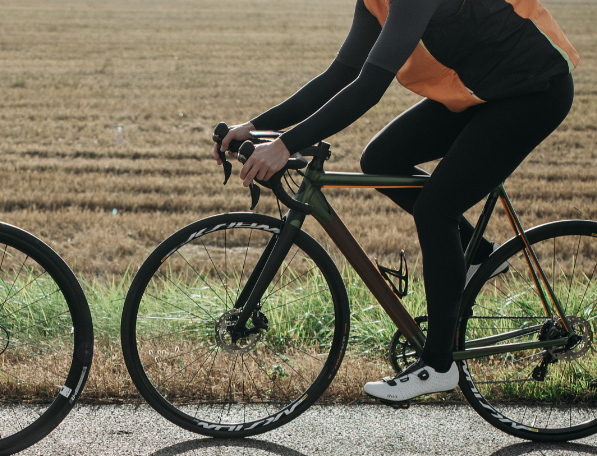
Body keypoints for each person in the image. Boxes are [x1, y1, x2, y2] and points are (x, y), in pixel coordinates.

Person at [219, 0, 578, 403]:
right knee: (380, 159)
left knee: (436, 209)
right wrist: (258, 126)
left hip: (531, 90)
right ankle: (475, 250)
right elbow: (341, 73)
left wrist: (285, 145)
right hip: (483, 88)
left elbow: (370, 86)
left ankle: (439, 365)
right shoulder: (373, 2)